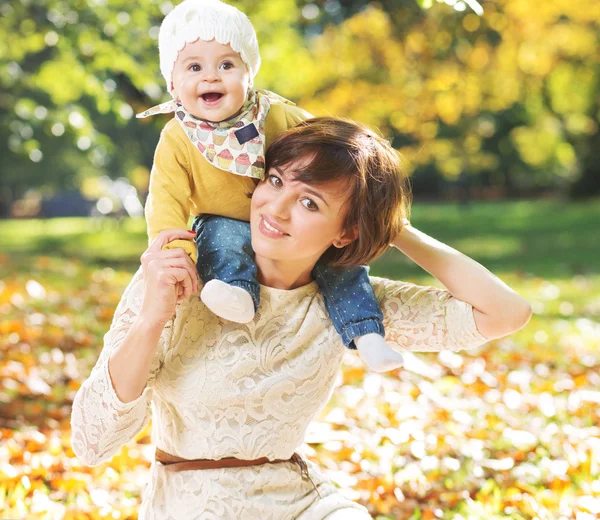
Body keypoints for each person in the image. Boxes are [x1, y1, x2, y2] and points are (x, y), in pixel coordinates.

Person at [71, 118, 532, 519]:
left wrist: (397, 229)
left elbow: (506, 313)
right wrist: (151, 319)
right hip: (189, 505)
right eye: (274, 181)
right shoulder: (180, 276)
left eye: (310, 203)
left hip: (302, 506)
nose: (275, 208)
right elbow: (92, 442)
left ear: (346, 231)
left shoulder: (350, 305)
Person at [137, 0, 404, 372]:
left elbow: (329, 146)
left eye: (227, 65)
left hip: (292, 221)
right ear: (172, 84)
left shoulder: (275, 114)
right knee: (219, 238)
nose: (211, 77)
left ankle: (367, 334)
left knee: (339, 264)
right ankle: (237, 292)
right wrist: (175, 247)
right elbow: (166, 197)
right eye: (194, 67)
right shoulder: (178, 137)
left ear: (249, 74)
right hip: (224, 220)